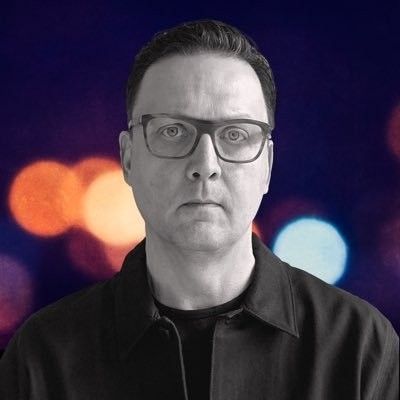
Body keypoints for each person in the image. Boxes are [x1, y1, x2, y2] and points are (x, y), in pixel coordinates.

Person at [0, 19, 398, 400]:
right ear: (128, 158)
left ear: (267, 165)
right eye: (173, 131)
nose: (205, 164)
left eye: (236, 134)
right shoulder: (43, 357)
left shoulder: (359, 349)